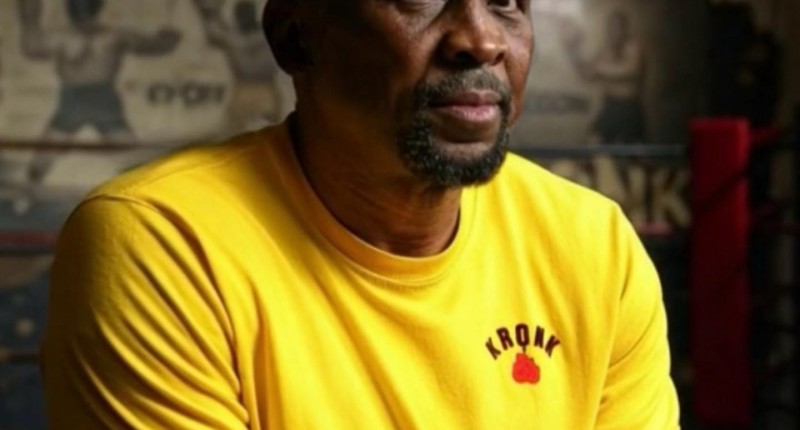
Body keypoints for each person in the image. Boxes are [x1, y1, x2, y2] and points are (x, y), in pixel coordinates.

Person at [41, 0, 679, 429]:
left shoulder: (593, 245)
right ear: (296, 37)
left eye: (506, 2)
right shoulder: (163, 242)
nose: (481, 39)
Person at [14, 0, 180, 213]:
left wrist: (168, 38)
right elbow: (32, 47)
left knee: (130, 157)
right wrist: (29, 17)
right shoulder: (86, 36)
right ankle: (26, 197)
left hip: (100, 100)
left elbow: (156, 46)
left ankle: (149, 202)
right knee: (45, 155)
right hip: (75, 100)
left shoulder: (111, 36)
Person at [193, 0, 283, 133]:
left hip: (262, 91)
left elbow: (213, 28)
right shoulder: (237, 38)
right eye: (241, 16)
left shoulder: (236, 39)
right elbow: (212, 28)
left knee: (269, 134)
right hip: (246, 91)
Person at [561, 9, 646, 144]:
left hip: (629, 107)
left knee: (632, 149)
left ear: (624, 28)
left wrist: (601, 68)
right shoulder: (606, 51)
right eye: (611, 27)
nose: (614, 32)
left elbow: (631, 69)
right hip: (610, 106)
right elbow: (587, 75)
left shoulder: (633, 46)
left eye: (617, 27)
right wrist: (573, 53)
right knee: (593, 141)